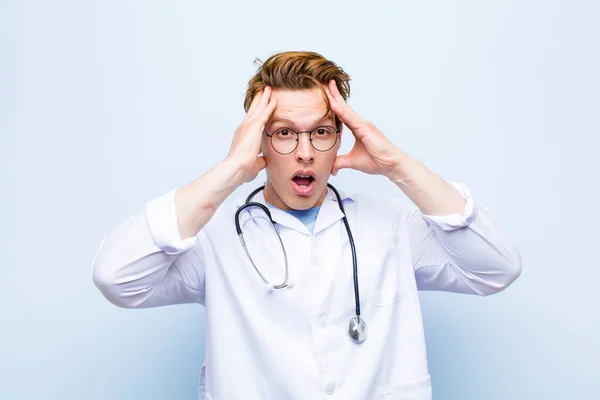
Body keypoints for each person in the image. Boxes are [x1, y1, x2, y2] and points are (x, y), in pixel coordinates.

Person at [92, 51, 522, 400]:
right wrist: (229, 171)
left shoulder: (394, 224)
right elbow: (116, 278)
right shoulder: (212, 238)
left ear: (339, 137)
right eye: (283, 133)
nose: (304, 152)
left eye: (320, 132)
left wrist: (397, 165)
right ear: (258, 140)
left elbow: (497, 269)